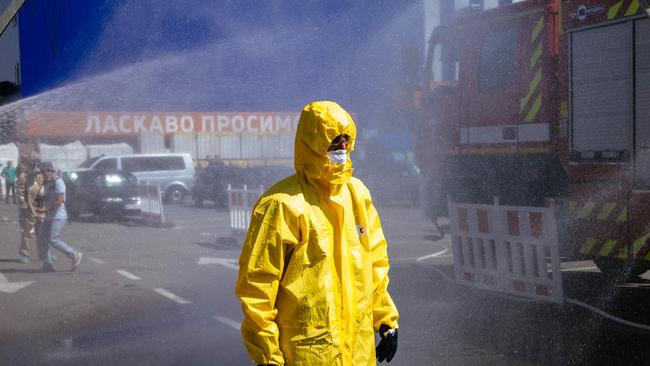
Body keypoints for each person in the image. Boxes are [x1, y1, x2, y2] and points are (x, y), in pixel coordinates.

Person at [235, 101, 399, 365]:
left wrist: (385, 319)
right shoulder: (282, 204)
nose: (342, 149)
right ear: (311, 145)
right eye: (333, 142)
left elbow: (375, 265)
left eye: (346, 141)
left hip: (357, 352)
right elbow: (258, 288)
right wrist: (268, 355)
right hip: (308, 355)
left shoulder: (357, 195)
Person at [37, 162, 82, 272]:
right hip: (48, 216)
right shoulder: (47, 183)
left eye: (46, 171)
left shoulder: (59, 182)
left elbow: (59, 201)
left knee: (53, 239)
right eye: (43, 172)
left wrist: (44, 210)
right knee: (42, 239)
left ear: (51, 171)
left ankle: (74, 255)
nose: (44, 174)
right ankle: (47, 264)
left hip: (58, 216)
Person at [16, 153, 41, 263]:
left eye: (37, 161)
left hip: (40, 208)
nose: (35, 164)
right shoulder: (24, 176)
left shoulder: (40, 176)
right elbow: (19, 193)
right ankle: (25, 253)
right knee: (27, 231)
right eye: (33, 161)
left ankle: (45, 253)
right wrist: (25, 207)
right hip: (27, 209)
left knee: (43, 231)